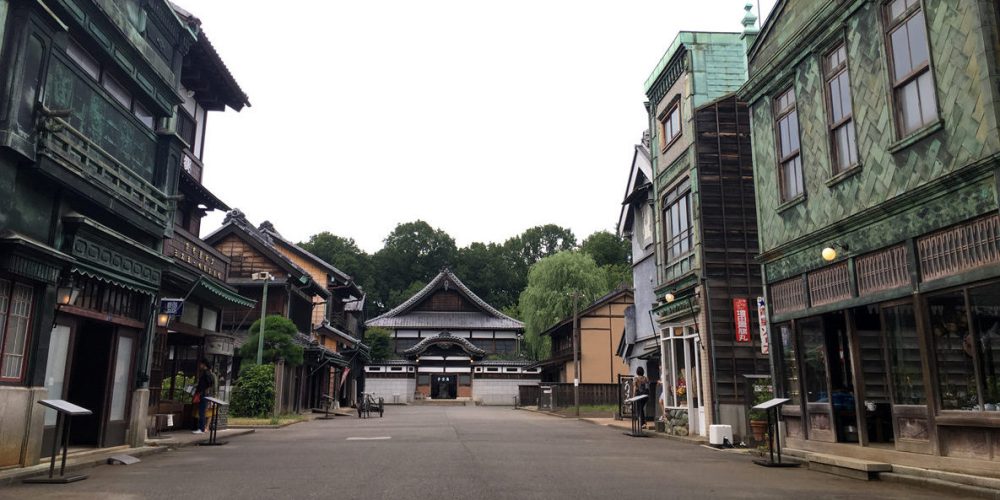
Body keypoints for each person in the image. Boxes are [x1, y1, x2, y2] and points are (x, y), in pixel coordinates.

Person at [193, 358, 215, 434]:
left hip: (203, 394)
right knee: (201, 411)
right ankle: (201, 428)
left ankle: (201, 428)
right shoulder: (208, 373)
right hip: (203, 394)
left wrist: (205, 390)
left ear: (204, 364)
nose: (200, 365)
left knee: (202, 411)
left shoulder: (206, 373)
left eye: (201, 364)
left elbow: (210, 383)